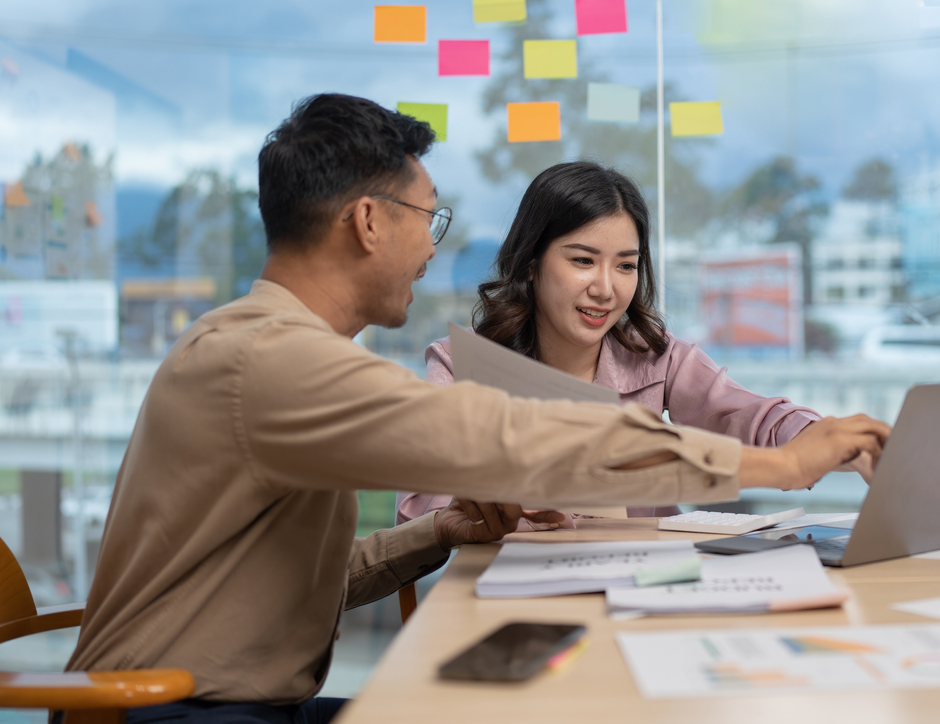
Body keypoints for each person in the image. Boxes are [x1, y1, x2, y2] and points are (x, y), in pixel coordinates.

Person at [64, 93, 890, 724]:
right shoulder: (268, 361)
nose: (433, 246)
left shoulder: (275, 353)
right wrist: (779, 465)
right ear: (367, 223)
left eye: (625, 265)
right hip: (166, 709)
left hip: (218, 700)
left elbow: (293, 587)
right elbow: (491, 432)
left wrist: (436, 533)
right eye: (428, 219)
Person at [396, 161, 869, 528]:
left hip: (649, 588)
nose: (606, 288)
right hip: (517, 601)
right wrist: (488, 507)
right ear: (530, 262)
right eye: (583, 260)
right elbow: (422, 500)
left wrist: (824, 440)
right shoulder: (462, 364)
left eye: (626, 265)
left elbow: (748, 416)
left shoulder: (657, 357)